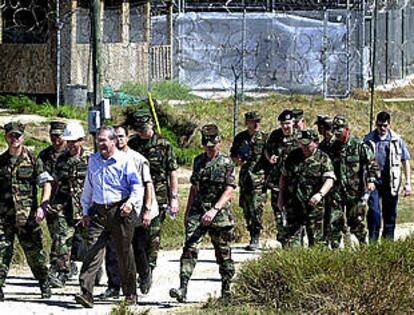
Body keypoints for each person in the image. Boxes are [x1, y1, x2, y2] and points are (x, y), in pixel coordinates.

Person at [75, 126, 141, 308]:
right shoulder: (93, 160)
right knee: (93, 250)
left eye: (104, 140)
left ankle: (130, 293)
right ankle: (86, 292)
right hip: (98, 211)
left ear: (113, 141)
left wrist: (131, 203)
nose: (100, 144)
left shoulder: (124, 161)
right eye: (98, 140)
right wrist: (85, 210)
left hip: (120, 210)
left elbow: (137, 186)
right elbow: (88, 186)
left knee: (123, 252)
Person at [169, 124, 236, 302]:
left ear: (219, 143)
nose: (209, 149)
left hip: (219, 214)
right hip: (198, 211)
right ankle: (182, 288)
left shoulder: (226, 163)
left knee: (223, 253)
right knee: (189, 249)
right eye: (206, 146)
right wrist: (188, 211)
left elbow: (229, 190)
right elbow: (194, 187)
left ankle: (226, 290)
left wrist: (214, 210)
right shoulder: (198, 161)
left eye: (212, 146)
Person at [99, 125, 158, 300]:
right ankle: (114, 285)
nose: (119, 140)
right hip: (117, 212)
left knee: (138, 248)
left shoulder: (137, 159)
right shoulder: (107, 159)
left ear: (126, 138)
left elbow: (147, 185)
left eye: (122, 136)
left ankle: (144, 273)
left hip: (136, 211)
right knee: (113, 248)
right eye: (115, 137)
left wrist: (147, 210)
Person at [0, 121, 52, 301]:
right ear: (6, 138)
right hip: (4, 217)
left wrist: (43, 206)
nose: (14, 139)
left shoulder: (33, 159)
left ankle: (44, 282)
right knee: (1, 252)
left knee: (35, 254)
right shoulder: (1, 162)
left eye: (17, 136)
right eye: (11, 136)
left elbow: (46, 183)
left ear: (23, 137)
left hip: (27, 217)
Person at [36, 122, 89, 288]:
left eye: (75, 141)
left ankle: (93, 274)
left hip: (86, 209)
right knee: (61, 240)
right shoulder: (60, 161)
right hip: (65, 207)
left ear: (82, 140)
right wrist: (46, 203)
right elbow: (53, 182)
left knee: (93, 243)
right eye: (69, 141)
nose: (71, 145)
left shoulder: (91, 159)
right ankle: (62, 272)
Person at [128, 109, 179, 274]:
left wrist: (174, 198)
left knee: (153, 234)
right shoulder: (132, 144)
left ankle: (149, 267)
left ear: (150, 124)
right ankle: (140, 267)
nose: (142, 131)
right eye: (138, 128)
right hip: (136, 195)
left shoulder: (163, 144)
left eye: (144, 127)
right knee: (137, 235)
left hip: (159, 194)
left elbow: (172, 171)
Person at [278, 129, 335, 247]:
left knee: (317, 242)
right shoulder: (293, 156)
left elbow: (329, 180)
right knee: (291, 242)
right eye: (301, 144)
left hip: (314, 206)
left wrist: (320, 194)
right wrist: (281, 197)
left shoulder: (323, 158)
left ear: (316, 143)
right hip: (294, 204)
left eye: (307, 145)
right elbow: (284, 177)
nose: (304, 147)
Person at [328, 116, 379, 247]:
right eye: (336, 132)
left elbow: (372, 164)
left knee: (356, 223)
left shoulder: (359, 145)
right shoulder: (333, 147)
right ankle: (335, 251)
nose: (338, 135)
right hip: (337, 193)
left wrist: (371, 180)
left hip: (355, 192)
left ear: (347, 129)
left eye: (340, 132)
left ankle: (363, 247)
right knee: (335, 221)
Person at [364, 111, 411, 241]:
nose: (382, 128)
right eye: (379, 125)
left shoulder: (396, 140)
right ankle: (373, 244)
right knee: (374, 212)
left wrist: (408, 183)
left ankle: (387, 244)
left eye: (385, 125)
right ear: (376, 124)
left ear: (389, 124)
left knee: (389, 215)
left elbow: (405, 160)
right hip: (373, 181)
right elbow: (363, 162)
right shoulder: (368, 139)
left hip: (391, 182)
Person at [230, 111, 267, 250]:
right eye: (253, 121)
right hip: (245, 179)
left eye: (258, 121)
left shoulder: (264, 138)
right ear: (247, 123)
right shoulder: (240, 138)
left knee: (257, 208)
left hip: (259, 179)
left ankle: (255, 237)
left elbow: (269, 158)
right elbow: (233, 156)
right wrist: (238, 160)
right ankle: (251, 232)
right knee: (246, 209)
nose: (256, 123)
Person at [265, 109, 298, 246]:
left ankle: (296, 245)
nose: (285, 126)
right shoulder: (275, 136)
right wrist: (270, 157)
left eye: (288, 123)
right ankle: (284, 244)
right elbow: (266, 150)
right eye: (283, 124)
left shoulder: (300, 137)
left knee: (295, 216)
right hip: (277, 183)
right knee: (279, 216)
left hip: (294, 185)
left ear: (294, 123)